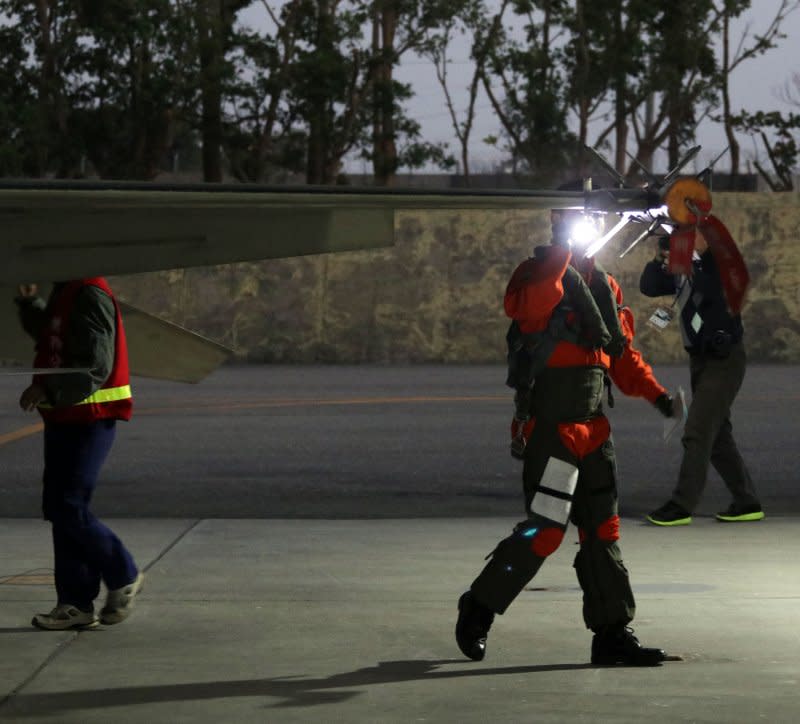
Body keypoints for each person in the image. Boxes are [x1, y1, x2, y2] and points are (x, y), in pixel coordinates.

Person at [455, 208, 672, 666]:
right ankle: (479, 607)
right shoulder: (538, 274)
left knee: (602, 532)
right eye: (571, 223)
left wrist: (659, 397)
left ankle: (613, 633)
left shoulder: (606, 288)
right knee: (545, 531)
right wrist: (561, 253)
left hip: (593, 431)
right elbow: (532, 304)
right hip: (553, 433)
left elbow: (623, 356)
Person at [17, 278, 144, 630]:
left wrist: (47, 387)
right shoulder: (66, 290)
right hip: (66, 414)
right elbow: (53, 337)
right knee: (61, 508)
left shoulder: (90, 294)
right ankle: (75, 603)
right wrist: (30, 305)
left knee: (68, 506)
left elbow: (95, 366)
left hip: (90, 417)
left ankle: (123, 573)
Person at [639, 229, 763, 526]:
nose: (683, 240)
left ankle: (682, 504)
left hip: (724, 360)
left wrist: (699, 257)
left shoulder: (718, 265)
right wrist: (661, 258)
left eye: (689, 235)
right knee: (717, 435)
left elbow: (712, 289)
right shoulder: (682, 269)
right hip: (701, 360)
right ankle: (747, 502)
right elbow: (649, 285)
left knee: (696, 431)